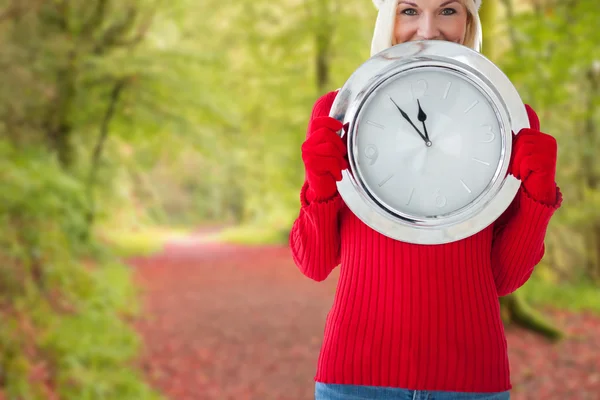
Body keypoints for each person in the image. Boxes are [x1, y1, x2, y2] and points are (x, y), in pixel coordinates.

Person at [289, 0, 562, 399]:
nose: (428, 30)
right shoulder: (338, 112)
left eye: (448, 10)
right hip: (355, 377)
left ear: (470, 20)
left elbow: (504, 278)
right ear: (388, 19)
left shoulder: (512, 122)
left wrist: (538, 199)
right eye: (410, 10)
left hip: (471, 380)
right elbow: (313, 263)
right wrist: (319, 188)